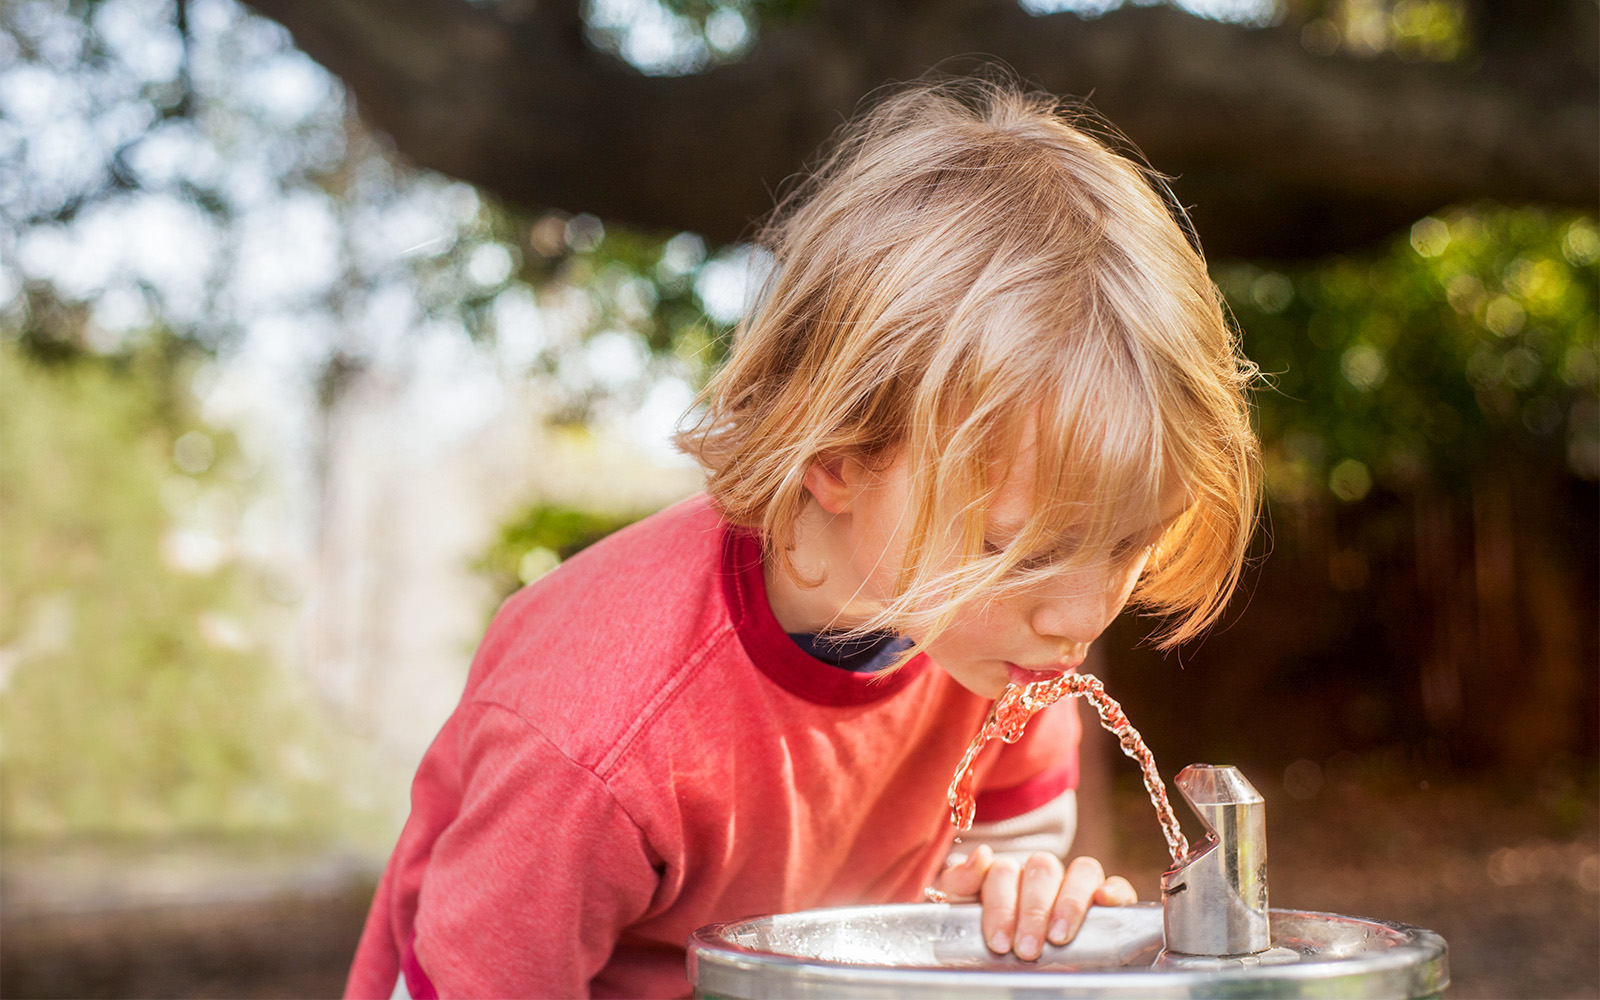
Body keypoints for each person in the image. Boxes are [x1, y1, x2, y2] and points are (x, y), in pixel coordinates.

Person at [345, 75, 1259, 1000]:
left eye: (1123, 543)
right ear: (837, 462)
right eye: (1017, 552)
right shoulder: (595, 738)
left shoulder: (1001, 647)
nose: (1081, 615)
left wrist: (1016, 898)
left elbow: (990, 862)